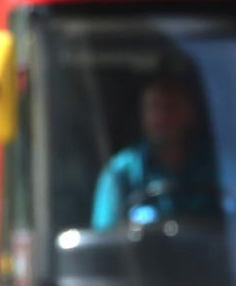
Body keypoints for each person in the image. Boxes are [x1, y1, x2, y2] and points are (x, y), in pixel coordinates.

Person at [90, 74, 222, 229]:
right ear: (142, 115)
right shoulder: (120, 172)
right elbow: (105, 237)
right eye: (154, 107)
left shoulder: (219, 166)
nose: (162, 117)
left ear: (190, 113)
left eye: (170, 107)